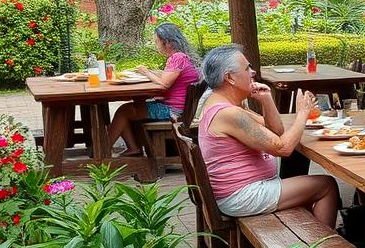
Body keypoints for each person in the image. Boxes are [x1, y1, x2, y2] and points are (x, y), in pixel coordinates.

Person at [196, 44, 340, 229]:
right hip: (242, 195)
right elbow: (283, 148)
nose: (253, 72)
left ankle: (310, 242)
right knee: (326, 185)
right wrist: (303, 113)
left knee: (305, 184)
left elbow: (276, 132)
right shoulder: (229, 114)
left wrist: (267, 100)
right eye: (247, 68)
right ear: (229, 77)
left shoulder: (222, 104)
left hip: (241, 190)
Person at [105, 22, 201, 156]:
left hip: (172, 111)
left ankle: (103, 151)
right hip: (182, 109)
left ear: (167, 42)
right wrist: (153, 72)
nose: (156, 46)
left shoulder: (177, 58)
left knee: (123, 111)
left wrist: (146, 72)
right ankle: (133, 148)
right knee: (129, 108)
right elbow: (168, 76)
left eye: (157, 42)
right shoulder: (183, 56)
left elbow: (164, 84)